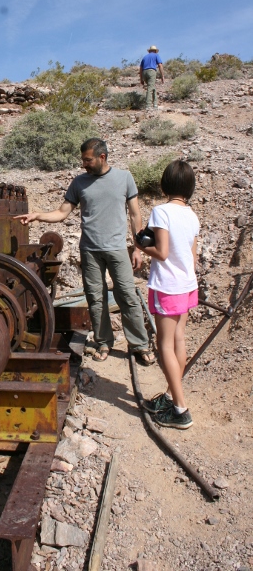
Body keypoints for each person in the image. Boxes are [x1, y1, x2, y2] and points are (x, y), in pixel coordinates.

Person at [14, 138, 155, 364]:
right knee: (95, 299)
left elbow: (135, 215)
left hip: (117, 249)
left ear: (102, 157)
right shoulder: (79, 183)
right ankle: (103, 342)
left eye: (87, 160)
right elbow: (62, 213)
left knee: (127, 296)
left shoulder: (124, 178)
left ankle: (140, 345)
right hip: (90, 250)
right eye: (83, 160)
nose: (84, 165)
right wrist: (37, 215)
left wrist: (138, 248)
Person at [136, 160, 199, 430]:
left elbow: (160, 252)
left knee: (164, 345)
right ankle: (171, 396)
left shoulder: (162, 212)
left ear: (165, 184)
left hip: (167, 286)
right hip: (187, 285)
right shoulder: (192, 215)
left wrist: (139, 245)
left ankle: (181, 410)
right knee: (179, 341)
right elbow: (193, 259)